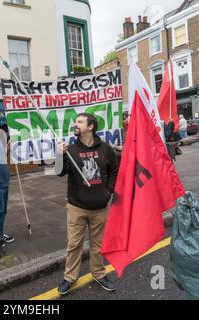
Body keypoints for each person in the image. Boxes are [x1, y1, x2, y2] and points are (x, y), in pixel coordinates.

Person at [55, 113, 118, 295]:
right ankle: (69, 278)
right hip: (77, 207)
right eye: (76, 121)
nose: (76, 124)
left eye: (80, 122)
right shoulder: (71, 150)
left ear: (90, 127)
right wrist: (60, 155)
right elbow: (60, 172)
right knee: (74, 244)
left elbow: (114, 170)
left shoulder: (106, 149)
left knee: (98, 245)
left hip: (100, 207)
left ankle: (98, 273)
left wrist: (108, 192)